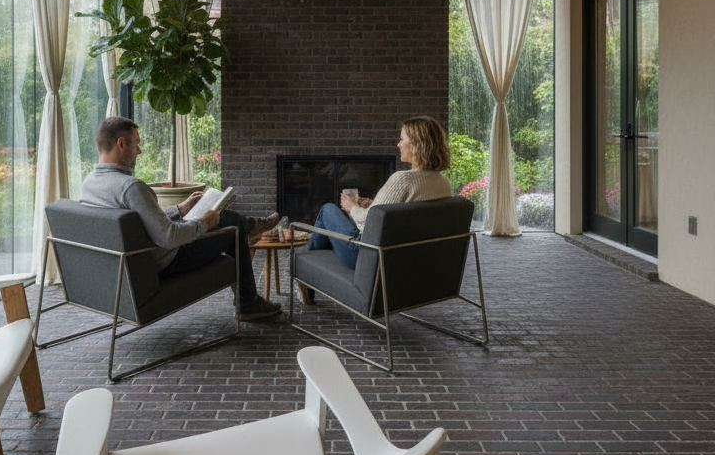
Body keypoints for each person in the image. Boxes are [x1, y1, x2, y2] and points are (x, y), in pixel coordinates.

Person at [80, 116, 281, 321]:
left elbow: (140, 220)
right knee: (231, 225)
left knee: (227, 223)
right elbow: (169, 237)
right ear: (121, 143)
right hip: (167, 260)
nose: (139, 151)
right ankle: (247, 299)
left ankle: (246, 279)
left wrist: (180, 208)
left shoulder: (89, 184)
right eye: (137, 143)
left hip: (127, 267)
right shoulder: (131, 188)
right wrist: (205, 223)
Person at [306, 115, 454, 274]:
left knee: (328, 210)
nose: (398, 144)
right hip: (408, 254)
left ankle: (307, 267)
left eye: (401, 139)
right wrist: (373, 204)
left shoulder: (402, 179)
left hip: (367, 254)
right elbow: (402, 213)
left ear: (416, 144)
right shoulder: (443, 182)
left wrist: (352, 207)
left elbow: (370, 221)